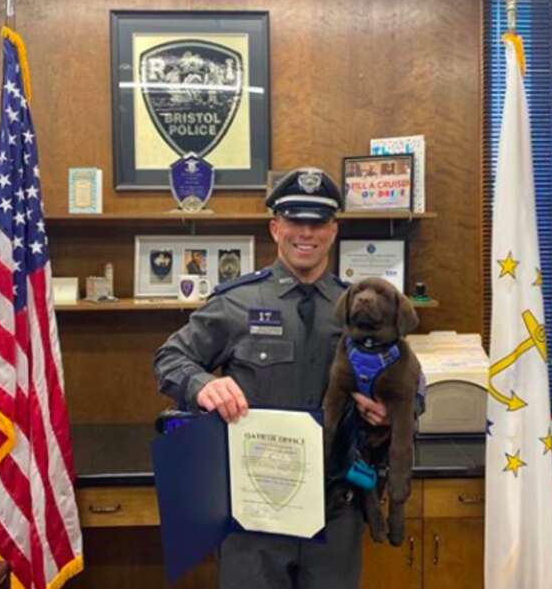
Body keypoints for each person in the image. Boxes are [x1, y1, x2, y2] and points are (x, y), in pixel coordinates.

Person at [153, 167, 388, 589]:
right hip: (254, 516)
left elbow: (410, 382)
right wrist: (203, 384)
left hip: (336, 508)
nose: (306, 233)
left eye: (317, 223)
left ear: (333, 231)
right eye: (295, 221)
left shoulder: (361, 306)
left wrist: (389, 411)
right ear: (274, 227)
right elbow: (170, 358)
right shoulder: (238, 303)